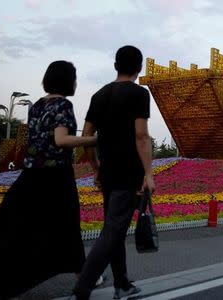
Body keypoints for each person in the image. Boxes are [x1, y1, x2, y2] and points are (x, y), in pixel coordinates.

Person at [0, 61, 97, 299]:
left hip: (29, 175)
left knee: (16, 227)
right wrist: (93, 140)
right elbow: (61, 140)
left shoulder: (37, 105)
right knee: (67, 225)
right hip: (56, 177)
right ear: (67, 80)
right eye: (75, 78)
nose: (76, 83)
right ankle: (85, 278)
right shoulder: (64, 105)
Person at [71, 45, 155, 300]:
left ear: (115, 65)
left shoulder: (99, 95)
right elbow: (141, 135)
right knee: (112, 232)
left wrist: (97, 168)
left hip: (108, 171)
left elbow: (86, 137)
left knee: (114, 229)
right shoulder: (139, 94)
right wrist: (148, 173)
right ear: (139, 68)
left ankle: (122, 283)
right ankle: (82, 288)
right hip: (129, 172)